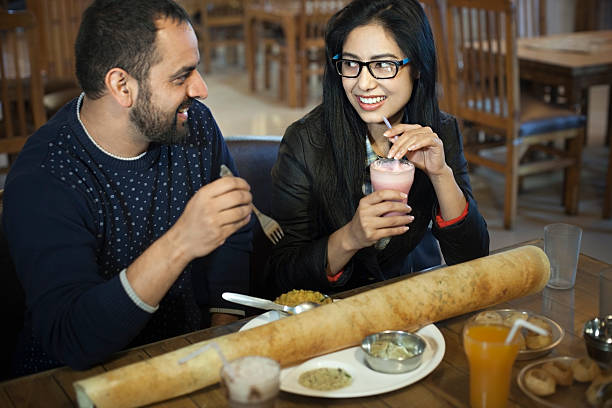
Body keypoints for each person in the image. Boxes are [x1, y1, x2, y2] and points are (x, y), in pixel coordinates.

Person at [1, 0, 253, 375]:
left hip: (180, 358)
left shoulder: (193, 125)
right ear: (121, 85)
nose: (200, 89)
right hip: (65, 380)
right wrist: (181, 241)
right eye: (181, 75)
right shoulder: (46, 177)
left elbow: (235, 230)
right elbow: (71, 337)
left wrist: (220, 333)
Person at [267, 0, 489, 294]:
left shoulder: (439, 130)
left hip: (410, 299)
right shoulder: (306, 142)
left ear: (418, 67)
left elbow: (473, 258)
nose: (363, 83)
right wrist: (350, 238)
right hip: (335, 311)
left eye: (383, 65)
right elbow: (279, 276)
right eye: (351, 64)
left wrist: (441, 174)